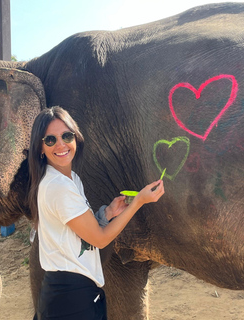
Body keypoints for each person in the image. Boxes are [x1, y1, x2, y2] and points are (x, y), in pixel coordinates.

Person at [28, 106, 164, 320]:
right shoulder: (58, 186)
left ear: (76, 138)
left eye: (66, 136)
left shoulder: (70, 179)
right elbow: (100, 240)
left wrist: (108, 212)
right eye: (51, 140)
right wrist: (139, 202)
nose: (61, 144)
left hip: (72, 293)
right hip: (70, 298)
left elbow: (79, 233)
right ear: (40, 148)